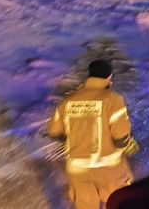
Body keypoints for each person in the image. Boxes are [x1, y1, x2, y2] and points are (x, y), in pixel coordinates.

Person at [48, 58, 135, 209]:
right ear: (109, 77)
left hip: (78, 170)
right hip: (108, 170)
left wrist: (74, 139)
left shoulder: (68, 101)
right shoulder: (113, 100)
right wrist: (128, 145)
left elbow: (54, 132)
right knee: (118, 203)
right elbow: (120, 138)